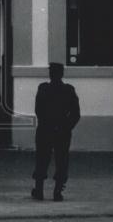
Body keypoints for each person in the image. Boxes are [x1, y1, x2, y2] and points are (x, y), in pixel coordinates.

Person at [31, 62, 80, 201]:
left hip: (45, 129)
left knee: (41, 158)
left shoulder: (43, 88)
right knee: (62, 160)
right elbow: (76, 114)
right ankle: (57, 192)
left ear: (50, 74)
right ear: (62, 74)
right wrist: (66, 127)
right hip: (62, 131)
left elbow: (38, 110)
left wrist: (46, 123)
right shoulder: (69, 90)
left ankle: (39, 190)